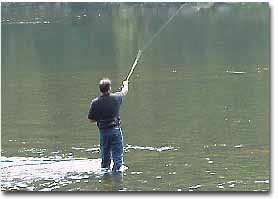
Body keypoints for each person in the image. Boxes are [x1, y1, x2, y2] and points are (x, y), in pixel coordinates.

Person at [88, 78, 129, 172]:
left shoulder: (95, 102)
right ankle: (117, 182)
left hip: (103, 132)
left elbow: (91, 119)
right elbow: (125, 91)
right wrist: (125, 84)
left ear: (100, 89)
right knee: (117, 159)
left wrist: (100, 118)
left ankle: (106, 181)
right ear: (109, 88)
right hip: (115, 130)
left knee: (105, 160)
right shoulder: (116, 97)